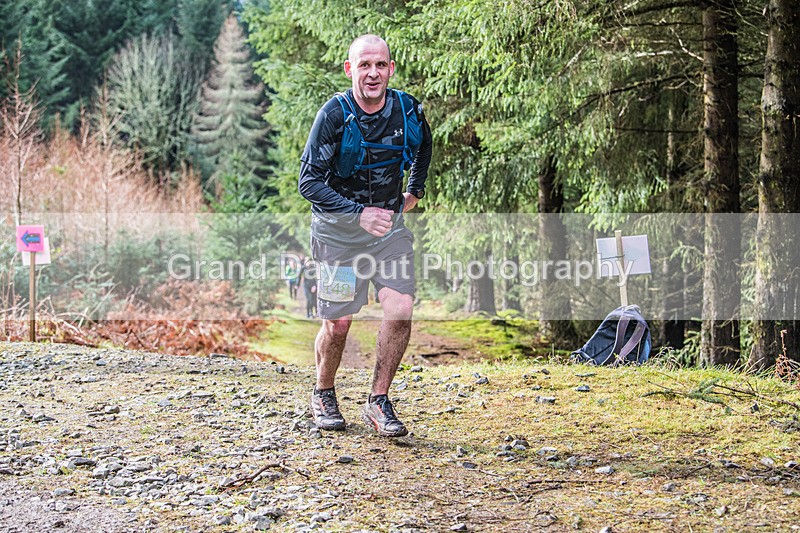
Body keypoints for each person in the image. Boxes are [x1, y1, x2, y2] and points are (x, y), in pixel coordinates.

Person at [299, 34, 432, 437]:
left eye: (380, 65)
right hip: (338, 237)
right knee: (338, 324)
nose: (372, 73)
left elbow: (424, 146)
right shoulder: (334, 115)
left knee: (400, 308)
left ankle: (378, 400)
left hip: (388, 234)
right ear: (349, 69)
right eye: (364, 65)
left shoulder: (408, 109)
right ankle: (323, 392)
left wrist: (415, 190)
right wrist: (358, 215)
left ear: (391, 68)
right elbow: (308, 182)